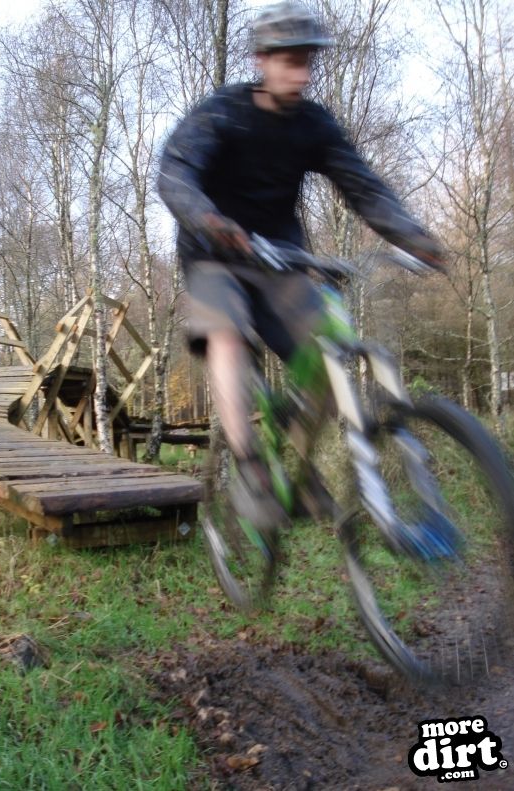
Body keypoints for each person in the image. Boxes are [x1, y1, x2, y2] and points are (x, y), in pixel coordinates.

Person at [158, 1, 442, 529]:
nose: (301, 71)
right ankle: (250, 470)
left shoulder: (314, 125)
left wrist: (413, 236)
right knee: (226, 335)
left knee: (325, 355)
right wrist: (212, 222)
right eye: (289, 59)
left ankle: (300, 459)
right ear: (262, 59)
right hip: (213, 253)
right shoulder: (222, 112)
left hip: (280, 257)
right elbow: (176, 172)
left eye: (307, 60)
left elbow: (363, 187)